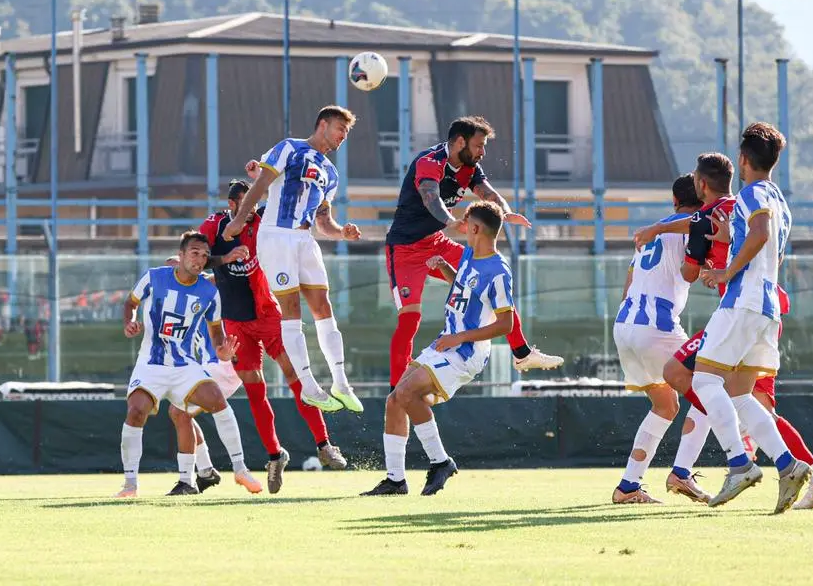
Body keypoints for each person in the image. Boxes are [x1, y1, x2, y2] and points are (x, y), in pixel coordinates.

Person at [383, 116, 563, 391]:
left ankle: (522, 354)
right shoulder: (429, 162)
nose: (482, 152)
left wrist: (505, 211)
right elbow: (431, 197)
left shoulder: (470, 167)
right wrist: (451, 222)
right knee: (410, 320)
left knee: (491, 282)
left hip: (437, 242)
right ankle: (397, 391)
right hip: (405, 250)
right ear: (459, 142)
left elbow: (488, 194)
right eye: (479, 145)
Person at [197, 179, 348, 494]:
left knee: (296, 377)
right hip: (236, 324)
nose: (249, 210)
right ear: (230, 205)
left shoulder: (265, 221)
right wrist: (224, 259)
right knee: (255, 390)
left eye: (253, 203)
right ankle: (275, 455)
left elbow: (297, 209)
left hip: (269, 316)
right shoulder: (213, 227)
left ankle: (324, 444)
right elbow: (196, 260)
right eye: (243, 204)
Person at [689, 123, 809, 513]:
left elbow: (758, 234)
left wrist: (726, 272)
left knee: (704, 379)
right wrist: (732, 238)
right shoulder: (779, 198)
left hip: (743, 301)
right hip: (767, 307)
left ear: (743, 159)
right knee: (740, 393)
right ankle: (788, 465)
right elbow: (768, 244)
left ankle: (739, 465)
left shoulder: (751, 193)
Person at [361, 201, 515, 496]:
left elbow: (505, 324)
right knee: (394, 400)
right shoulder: (469, 255)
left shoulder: (499, 271)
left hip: (465, 352)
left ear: (476, 228)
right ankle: (395, 480)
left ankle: (441, 462)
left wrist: (460, 338)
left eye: (465, 225)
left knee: (406, 393)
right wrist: (446, 270)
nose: (462, 232)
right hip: (446, 343)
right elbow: (463, 291)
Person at [222, 105, 363, 415]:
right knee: (292, 309)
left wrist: (342, 233)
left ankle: (341, 383)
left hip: (304, 239)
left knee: (323, 307)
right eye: (340, 128)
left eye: (347, 132)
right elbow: (260, 185)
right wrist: (240, 221)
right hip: (276, 236)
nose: (343, 136)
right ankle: (310, 386)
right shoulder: (289, 148)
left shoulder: (331, 173)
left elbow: (323, 222)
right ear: (323, 124)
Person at [115, 231, 251, 498]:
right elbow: (130, 302)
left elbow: (216, 334)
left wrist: (222, 352)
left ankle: (240, 469)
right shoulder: (154, 277)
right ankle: (130, 484)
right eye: (194, 254)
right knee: (136, 411)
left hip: (186, 365)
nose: (199, 260)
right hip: (151, 363)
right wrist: (129, 322)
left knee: (214, 400)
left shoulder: (210, 292)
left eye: (203, 256)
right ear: (180, 256)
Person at [611, 174, 703, 504]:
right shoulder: (692, 222)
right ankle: (683, 472)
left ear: (674, 199)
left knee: (666, 405)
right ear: (702, 195)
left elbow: (630, 279)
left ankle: (628, 486)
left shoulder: (653, 233)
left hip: (624, 324)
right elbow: (697, 225)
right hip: (656, 325)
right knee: (709, 391)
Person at [162, 254, 263, 496]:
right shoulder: (183, 300)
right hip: (210, 364)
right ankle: (206, 471)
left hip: (226, 362)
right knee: (178, 413)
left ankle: (191, 480)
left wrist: (192, 271)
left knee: (178, 411)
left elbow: (216, 278)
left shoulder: (211, 285)